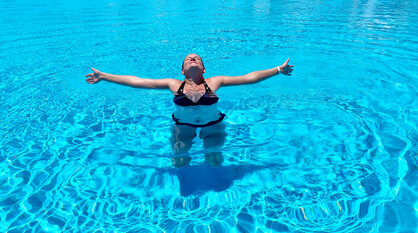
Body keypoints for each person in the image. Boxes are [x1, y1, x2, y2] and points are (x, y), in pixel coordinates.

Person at [85, 54, 293, 167]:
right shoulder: (173, 84)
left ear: (203, 69)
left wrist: (277, 70)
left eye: (197, 59)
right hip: (182, 128)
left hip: (213, 127)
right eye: (188, 59)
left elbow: (250, 78)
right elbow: (136, 82)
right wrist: (105, 76)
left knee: (214, 160)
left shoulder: (215, 81)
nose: (193, 59)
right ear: (183, 70)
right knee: (180, 161)